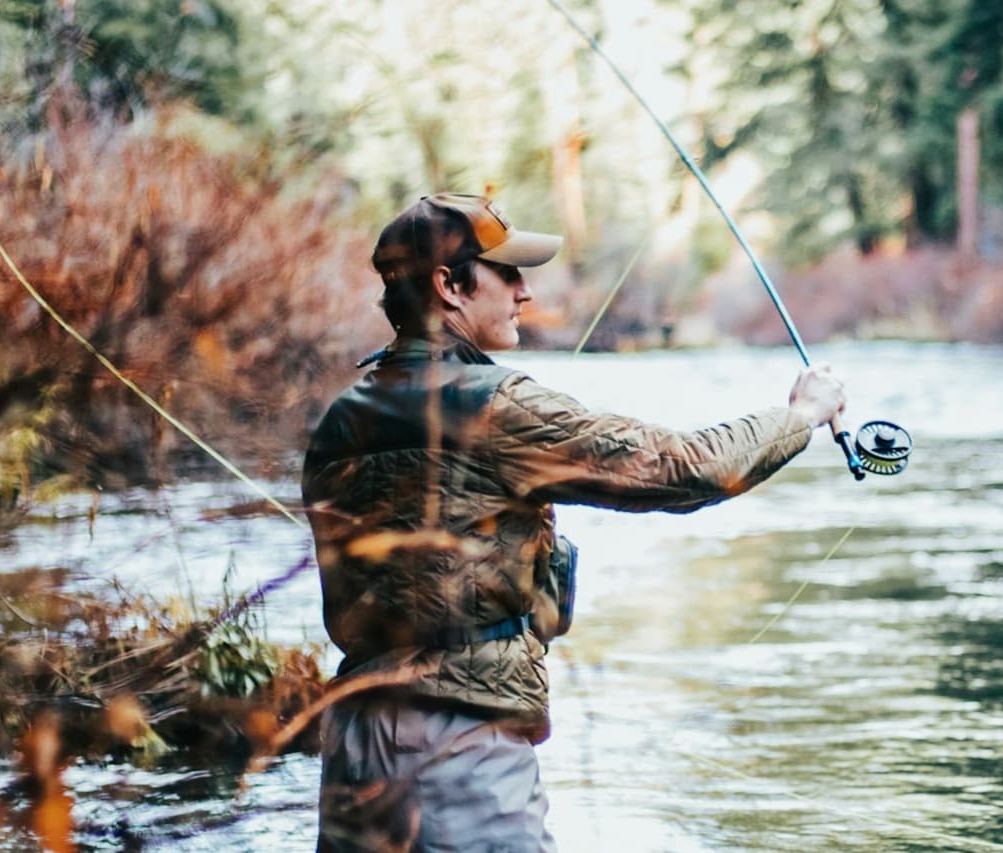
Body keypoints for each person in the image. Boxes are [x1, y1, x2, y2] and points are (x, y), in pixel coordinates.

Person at [302, 193, 846, 851]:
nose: (525, 291)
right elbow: (684, 470)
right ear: (449, 284)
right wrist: (800, 415)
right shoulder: (496, 406)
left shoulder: (342, 415)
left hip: (354, 741)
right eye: (506, 273)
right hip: (457, 747)